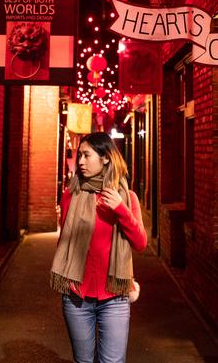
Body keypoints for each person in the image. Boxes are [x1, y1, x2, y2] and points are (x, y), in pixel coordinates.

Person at [50, 132, 147, 363]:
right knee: (83, 361)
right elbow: (65, 241)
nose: (80, 161)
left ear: (105, 158)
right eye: (79, 156)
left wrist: (121, 210)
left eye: (86, 155)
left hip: (114, 296)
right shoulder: (70, 196)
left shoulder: (127, 198)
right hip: (76, 296)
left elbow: (140, 243)